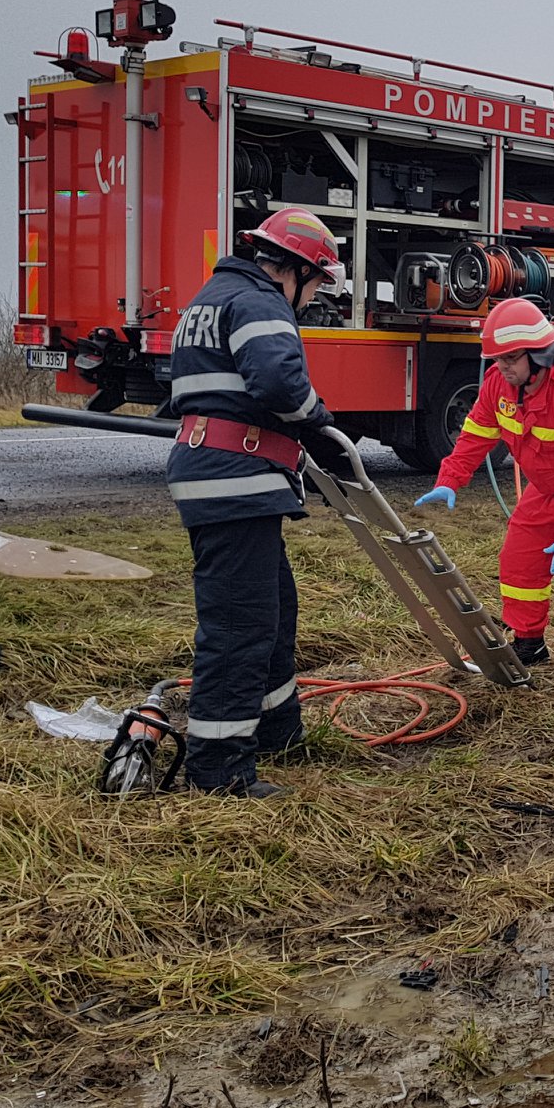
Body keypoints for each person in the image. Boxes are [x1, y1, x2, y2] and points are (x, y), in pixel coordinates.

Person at [163, 207, 356, 797]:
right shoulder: (258, 301)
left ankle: (277, 730)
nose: (314, 295)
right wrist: (319, 422)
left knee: (274, 610)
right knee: (238, 627)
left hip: (223, 476)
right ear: (294, 269)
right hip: (234, 482)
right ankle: (219, 770)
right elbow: (277, 382)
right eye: (318, 282)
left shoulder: (209, 298)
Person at [414, 298, 554, 701]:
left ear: (540, 353)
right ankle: (530, 642)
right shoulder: (500, 384)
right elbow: (477, 433)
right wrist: (451, 479)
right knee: (519, 563)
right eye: (497, 359)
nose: (502, 367)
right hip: (545, 489)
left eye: (511, 358)